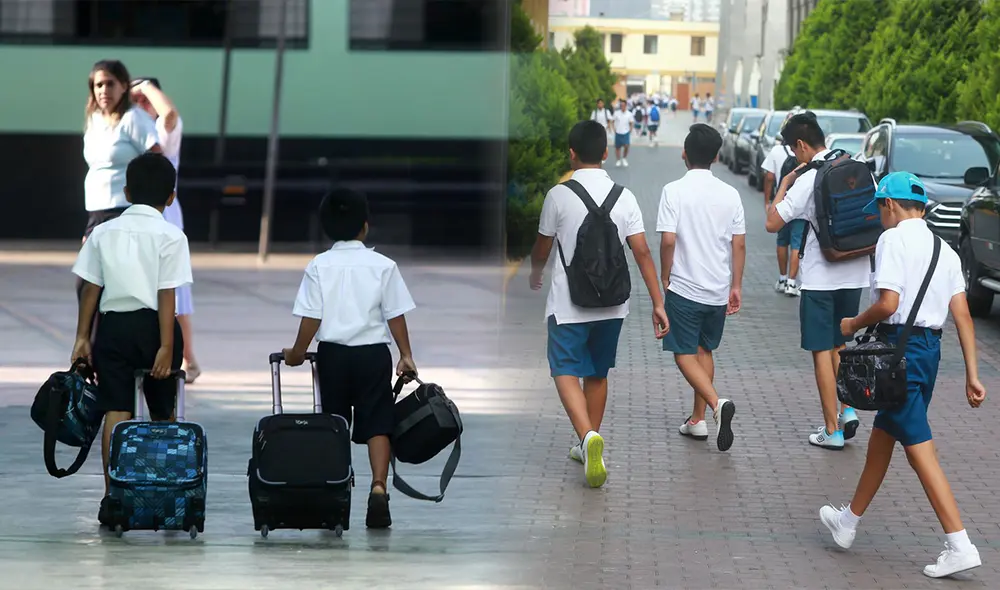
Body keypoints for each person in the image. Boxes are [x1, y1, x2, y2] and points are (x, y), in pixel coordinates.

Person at [820, 172, 986, 578]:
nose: (878, 217)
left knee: (918, 450)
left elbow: (888, 303)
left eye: (878, 209)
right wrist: (972, 374)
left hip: (898, 353)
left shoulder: (892, 240)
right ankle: (848, 522)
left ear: (889, 205)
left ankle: (959, 542)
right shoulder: (945, 250)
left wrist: (852, 324)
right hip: (928, 354)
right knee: (886, 435)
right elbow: (962, 316)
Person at [529, 120, 668, 489]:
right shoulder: (626, 196)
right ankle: (589, 441)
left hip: (568, 303)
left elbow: (542, 247)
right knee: (597, 373)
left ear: (571, 154)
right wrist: (658, 302)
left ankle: (587, 437)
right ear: (606, 153)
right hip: (612, 305)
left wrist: (533, 273)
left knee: (563, 369)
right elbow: (641, 252)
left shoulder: (558, 195)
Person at [282, 188, 417, 529]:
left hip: (334, 356)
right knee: (378, 422)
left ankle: (335, 492)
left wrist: (297, 353)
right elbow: (395, 314)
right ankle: (378, 488)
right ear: (365, 227)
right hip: (373, 355)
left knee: (334, 424)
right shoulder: (383, 265)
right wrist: (406, 354)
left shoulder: (319, 265)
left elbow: (311, 318)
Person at [70, 153, 191, 527]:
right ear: (171, 197)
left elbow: (91, 288)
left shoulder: (104, 233)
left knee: (116, 409)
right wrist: (167, 347)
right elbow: (166, 293)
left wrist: (81, 338)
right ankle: (168, 492)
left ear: (125, 192)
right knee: (163, 413)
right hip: (156, 329)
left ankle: (113, 496)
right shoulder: (172, 235)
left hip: (113, 328)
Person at [764, 112, 865, 450]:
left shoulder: (808, 179)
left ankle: (831, 429)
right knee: (841, 345)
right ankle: (848, 410)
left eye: (795, 151)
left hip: (822, 278)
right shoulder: (855, 165)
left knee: (821, 350)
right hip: (856, 272)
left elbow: (772, 223)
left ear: (803, 145)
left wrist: (783, 186)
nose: (795, 157)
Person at [657, 124, 745, 452]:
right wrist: (736, 285)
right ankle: (697, 421)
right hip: (717, 288)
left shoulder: (673, 191)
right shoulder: (731, 194)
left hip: (684, 287)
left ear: (684, 153)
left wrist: (665, 276)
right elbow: (739, 245)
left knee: (682, 353)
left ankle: (715, 404)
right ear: (717, 157)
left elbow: (668, 240)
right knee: (704, 350)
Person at [131, 77, 202, 383]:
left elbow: (169, 115)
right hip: (134, 219)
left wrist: (145, 86)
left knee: (177, 294)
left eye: (146, 100)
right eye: (135, 100)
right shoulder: (130, 129)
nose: (141, 105)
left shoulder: (163, 132)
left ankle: (189, 359)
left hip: (166, 218)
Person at [80, 60, 161, 303]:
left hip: (123, 213)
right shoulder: (94, 119)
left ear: (124, 86)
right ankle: (95, 341)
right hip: (97, 214)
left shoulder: (133, 118)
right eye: (98, 85)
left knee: (110, 290)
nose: (103, 90)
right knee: (88, 288)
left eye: (110, 84)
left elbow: (157, 160)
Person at [761, 138, 806, 297]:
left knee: (782, 240)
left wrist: (768, 201)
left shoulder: (776, 151)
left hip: (782, 203)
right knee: (796, 243)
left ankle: (781, 278)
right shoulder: (806, 152)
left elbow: (770, 177)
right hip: (800, 204)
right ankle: (792, 282)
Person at [611, 101, 635, 168]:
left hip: (626, 132)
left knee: (626, 146)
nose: (622, 107)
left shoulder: (629, 114)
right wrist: (614, 129)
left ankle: (624, 158)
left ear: (626, 106)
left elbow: (631, 123)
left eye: (623, 105)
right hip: (618, 132)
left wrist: (630, 129)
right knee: (617, 147)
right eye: (621, 105)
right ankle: (618, 160)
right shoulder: (616, 113)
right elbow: (612, 121)